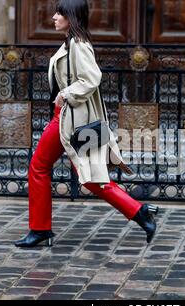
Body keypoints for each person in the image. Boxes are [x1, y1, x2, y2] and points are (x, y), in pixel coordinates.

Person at [15, 0, 159, 248]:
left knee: (39, 167)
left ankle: (40, 229)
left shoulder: (78, 45)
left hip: (70, 119)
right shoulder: (71, 42)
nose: (54, 17)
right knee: (91, 178)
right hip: (68, 118)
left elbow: (92, 78)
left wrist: (66, 94)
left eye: (59, 13)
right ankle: (139, 212)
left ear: (71, 17)